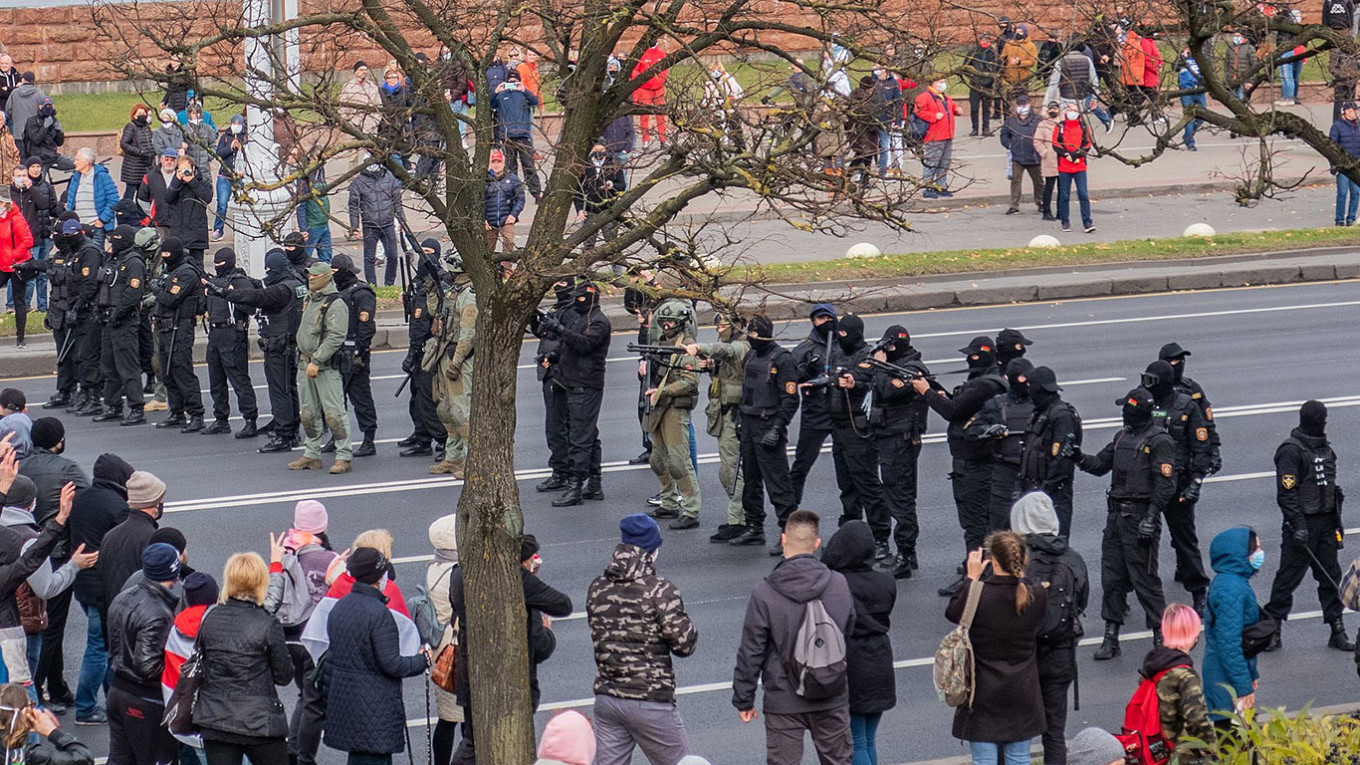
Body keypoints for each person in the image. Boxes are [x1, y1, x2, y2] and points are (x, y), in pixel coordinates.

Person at [732, 510, 853, 763]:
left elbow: (751, 650)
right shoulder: (838, 583)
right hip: (831, 692)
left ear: (783, 539)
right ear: (816, 544)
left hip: (783, 698)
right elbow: (848, 630)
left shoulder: (765, 592)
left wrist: (744, 699)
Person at [449, 535, 573, 765]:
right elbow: (562, 606)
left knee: (474, 742)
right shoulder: (514, 579)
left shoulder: (460, 572)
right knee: (504, 745)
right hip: (508, 683)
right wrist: (527, 578)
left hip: (470, 674)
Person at [587, 514, 698, 765]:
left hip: (608, 699)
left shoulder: (597, 587)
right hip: (650, 699)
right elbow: (685, 644)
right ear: (652, 550)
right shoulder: (659, 590)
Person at [1074, 388, 1174, 660]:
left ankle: (1161, 636)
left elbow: (1165, 485)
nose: (1121, 413)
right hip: (1117, 517)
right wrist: (1078, 457)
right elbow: (1100, 464)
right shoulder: (1122, 438)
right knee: (1112, 578)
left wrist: (1151, 517)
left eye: (1125, 409)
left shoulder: (1159, 441)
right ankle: (1111, 635)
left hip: (1140, 517)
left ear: (1134, 412)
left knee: (1145, 580)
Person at [912, 336, 1005, 594]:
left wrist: (926, 392)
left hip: (975, 465)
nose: (969, 360)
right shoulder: (987, 381)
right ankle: (980, 566)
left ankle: (973, 577)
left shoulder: (986, 385)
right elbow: (962, 406)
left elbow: (953, 411)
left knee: (974, 525)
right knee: (980, 523)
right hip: (975, 463)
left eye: (972, 356)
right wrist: (940, 394)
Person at [322, 548, 430, 765]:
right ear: (379, 577)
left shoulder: (340, 607)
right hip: (374, 710)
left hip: (347, 703)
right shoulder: (379, 614)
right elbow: (392, 664)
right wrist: (423, 660)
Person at [947, 532, 1046, 765]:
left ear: (993, 561)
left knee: (984, 761)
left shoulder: (979, 595)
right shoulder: (1036, 595)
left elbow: (953, 612)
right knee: (1019, 759)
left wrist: (970, 579)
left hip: (983, 694)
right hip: (1022, 692)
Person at [1263, 400, 1354, 651]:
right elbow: (1287, 493)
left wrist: (1335, 524)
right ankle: (1273, 630)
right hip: (1301, 525)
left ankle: (1336, 629)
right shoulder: (1291, 451)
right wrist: (1299, 525)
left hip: (1325, 524)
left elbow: (1329, 489)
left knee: (1332, 577)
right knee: (1287, 579)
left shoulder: (1325, 449)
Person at [192, 553, 292, 765]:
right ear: (260, 582)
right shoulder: (267, 623)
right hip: (259, 722)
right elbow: (284, 676)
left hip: (215, 718)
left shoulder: (209, 618)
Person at [1012, 492, 1088, 765]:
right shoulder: (1073, 558)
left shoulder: (1016, 558)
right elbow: (1081, 600)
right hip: (1061, 653)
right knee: (1054, 732)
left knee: (1015, 731)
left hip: (1023, 656)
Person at [263, 502, 337, 765]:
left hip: (287, 639)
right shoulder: (331, 560)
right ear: (323, 525)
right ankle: (303, 758)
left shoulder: (284, 555)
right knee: (314, 705)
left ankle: (292, 750)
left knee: (305, 697)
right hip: (314, 642)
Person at [65, 453, 134, 725]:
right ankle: (85, 707)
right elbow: (121, 550)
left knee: (104, 646)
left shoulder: (81, 498)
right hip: (103, 587)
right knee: (99, 648)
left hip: (82, 581)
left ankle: (110, 700)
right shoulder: (118, 507)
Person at [210, 248, 303, 452]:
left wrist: (225, 292)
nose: (267, 274)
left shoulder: (282, 290)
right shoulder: (295, 282)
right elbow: (262, 287)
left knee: (280, 391)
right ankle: (291, 428)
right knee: (288, 389)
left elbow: (258, 297)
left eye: (270, 270)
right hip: (286, 343)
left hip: (279, 345)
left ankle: (284, 434)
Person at [1142, 360, 1213, 612]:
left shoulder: (1186, 406)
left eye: (1151, 380)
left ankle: (1199, 593)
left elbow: (1201, 447)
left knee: (1185, 541)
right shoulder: (1143, 403)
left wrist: (1196, 482)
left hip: (1177, 484)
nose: (1146, 385)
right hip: (1147, 482)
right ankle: (1135, 592)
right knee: (1140, 540)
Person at [821, 521, 895, 765]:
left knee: (855, 741)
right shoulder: (885, 581)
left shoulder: (837, 584)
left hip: (853, 664)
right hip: (880, 661)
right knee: (868, 739)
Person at [105, 543, 181, 765]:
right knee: (158, 760)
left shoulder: (123, 597)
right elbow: (147, 666)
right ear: (172, 572)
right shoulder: (158, 612)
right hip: (144, 700)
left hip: (117, 691)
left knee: (120, 759)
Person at [728, 316, 800, 548]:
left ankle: (789, 533)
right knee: (750, 482)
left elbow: (791, 399)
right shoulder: (751, 356)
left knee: (778, 484)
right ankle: (754, 527)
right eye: (750, 333)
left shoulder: (782, 359)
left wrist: (777, 428)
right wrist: (740, 419)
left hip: (768, 425)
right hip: (749, 424)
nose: (751, 337)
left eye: (755, 334)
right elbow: (746, 391)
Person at [537, 282, 610, 507]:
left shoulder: (598, 322)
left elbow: (584, 344)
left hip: (586, 384)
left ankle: (575, 486)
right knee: (588, 434)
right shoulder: (578, 318)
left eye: (580, 298)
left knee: (580, 437)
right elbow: (566, 345)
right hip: (572, 381)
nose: (577, 301)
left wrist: (559, 329)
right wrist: (551, 356)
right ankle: (594, 484)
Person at [682, 314, 749, 541]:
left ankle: (738, 520)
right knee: (727, 471)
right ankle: (739, 517)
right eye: (717, 325)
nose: (719, 329)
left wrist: (700, 348)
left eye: (723, 325)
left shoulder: (740, 346)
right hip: (723, 414)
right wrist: (710, 365)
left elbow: (726, 351)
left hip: (734, 416)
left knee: (732, 470)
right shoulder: (731, 347)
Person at [641, 301, 703, 529]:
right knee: (657, 459)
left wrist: (663, 391)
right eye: (664, 321)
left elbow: (690, 382)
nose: (666, 326)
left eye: (671, 322)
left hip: (675, 407)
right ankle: (668, 502)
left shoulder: (687, 347)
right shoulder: (659, 344)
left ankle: (691, 509)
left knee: (678, 461)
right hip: (659, 405)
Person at [288, 262, 353, 475]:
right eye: (309, 275)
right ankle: (311, 454)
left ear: (325, 277)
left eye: (315, 276)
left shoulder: (335, 303)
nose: (311, 279)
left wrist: (317, 360)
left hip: (325, 366)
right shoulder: (310, 299)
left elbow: (336, 336)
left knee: (334, 413)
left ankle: (344, 456)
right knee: (308, 414)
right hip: (305, 363)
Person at [1202, 527, 1264, 723]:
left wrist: (1250, 675)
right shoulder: (1232, 588)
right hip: (1227, 683)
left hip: (1226, 676)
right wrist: (1244, 687)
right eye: (1256, 549)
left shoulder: (1231, 581)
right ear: (1240, 553)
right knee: (1237, 738)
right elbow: (1229, 644)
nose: (1260, 553)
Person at [1140, 603, 1216, 760]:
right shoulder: (1185, 676)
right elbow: (1196, 719)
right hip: (1180, 753)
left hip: (1156, 748)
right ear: (1194, 633)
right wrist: (1214, 747)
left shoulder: (1154, 666)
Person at [425, 254, 476, 477]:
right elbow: (436, 314)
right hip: (445, 353)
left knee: (460, 411)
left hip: (459, 357)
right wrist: (431, 292)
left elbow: (468, 333)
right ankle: (453, 457)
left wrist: (456, 362)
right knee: (445, 409)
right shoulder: (454, 291)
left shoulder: (469, 295)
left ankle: (471, 460)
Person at [200, 247, 259, 437]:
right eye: (215, 263)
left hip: (233, 334)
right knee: (216, 380)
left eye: (221, 263)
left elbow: (251, 307)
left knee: (239, 380)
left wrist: (230, 293)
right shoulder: (213, 281)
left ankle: (250, 420)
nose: (218, 266)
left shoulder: (240, 281)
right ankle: (221, 419)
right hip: (215, 333)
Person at [149, 237, 205, 432]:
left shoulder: (187, 273)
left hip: (180, 328)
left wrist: (157, 289)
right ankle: (176, 412)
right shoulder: (169, 270)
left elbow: (171, 299)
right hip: (164, 327)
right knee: (167, 372)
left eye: (168, 254)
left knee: (182, 371)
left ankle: (196, 414)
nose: (165, 258)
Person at [1019, 366, 1083, 537]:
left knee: (1053, 542)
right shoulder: (1040, 412)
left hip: (1053, 495)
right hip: (1034, 491)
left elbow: (1062, 459)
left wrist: (1044, 490)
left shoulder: (1061, 415)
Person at [398, 242, 446, 460]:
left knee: (428, 397)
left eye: (428, 253)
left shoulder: (440, 280)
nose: (424, 257)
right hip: (418, 347)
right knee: (416, 396)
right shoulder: (419, 281)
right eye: (422, 252)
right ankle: (421, 436)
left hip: (431, 348)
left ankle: (443, 440)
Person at [93, 225, 145, 426]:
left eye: (115, 239)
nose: (111, 243)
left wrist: (117, 313)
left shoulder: (133, 262)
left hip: (124, 322)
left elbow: (133, 293)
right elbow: (103, 286)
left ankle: (137, 408)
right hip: (108, 320)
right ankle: (113, 405)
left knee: (128, 367)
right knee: (109, 366)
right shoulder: (113, 260)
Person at [98, 471, 166, 620]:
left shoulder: (109, 536)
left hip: (113, 616)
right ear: (154, 502)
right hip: (141, 618)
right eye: (161, 499)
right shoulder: (152, 538)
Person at [330, 254, 377, 456]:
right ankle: (336, 437)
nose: (333, 275)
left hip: (356, 354)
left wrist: (359, 351)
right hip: (338, 352)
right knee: (336, 399)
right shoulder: (337, 292)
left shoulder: (362, 293)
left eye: (335, 272)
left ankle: (369, 439)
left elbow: (366, 326)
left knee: (361, 397)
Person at [790, 304, 836, 507]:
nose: (825, 322)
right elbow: (789, 378)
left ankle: (852, 518)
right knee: (801, 465)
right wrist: (806, 372)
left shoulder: (845, 344)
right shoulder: (805, 349)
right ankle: (789, 514)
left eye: (828, 318)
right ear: (813, 321)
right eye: (820, 318)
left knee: (851, 469)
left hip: (842, 413)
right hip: (815, 414)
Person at [424, 515, 461, 765]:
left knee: (446, 719)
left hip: (440, 650)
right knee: (468, 720)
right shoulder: (456, 573)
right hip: (456, 650)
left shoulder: (434, 566)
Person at [0, 682, 95, 765]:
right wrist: (53, 732)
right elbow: (84, 759)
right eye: (31, 705)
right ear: (24, 712)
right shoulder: (30, 754)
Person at [346, 159, 404, 286]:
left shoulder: (389, 178)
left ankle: (389, 284)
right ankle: (372, 286)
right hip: (369, 226)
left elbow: (397, 202)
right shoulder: (359, 182)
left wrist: (402, 221)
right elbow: (353, 205)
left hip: (388, 224)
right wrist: (354, 226)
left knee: (393, 256)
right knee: (369, 258)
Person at [11, 158, 54, 313]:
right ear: (13, 178)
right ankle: (13, 305)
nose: (22, 178)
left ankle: (33, 306)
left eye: (24, 175)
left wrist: (32, 189)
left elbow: (44, 205)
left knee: (33, 273)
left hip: (33, 238)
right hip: (13, 240)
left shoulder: (33, 191)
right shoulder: (9, 194)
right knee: (13, 272)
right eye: (19, 176)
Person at [492, 70, 542, 203]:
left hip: (523, 135)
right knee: (510, 167)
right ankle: (512, 194)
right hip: (507, 136)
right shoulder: (502, 95)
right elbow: (490, 105)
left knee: (529, 165)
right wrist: (496, 92)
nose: (512, 83)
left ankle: (536, 193)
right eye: (510, 81)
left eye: (515, 81)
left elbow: (535, 101)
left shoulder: (524, 94)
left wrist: (524, 90)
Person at [575, 143, 627, 254]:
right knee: (588, 244)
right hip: (590, 209)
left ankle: (616, 264)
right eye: (596, 150)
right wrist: (579, 209)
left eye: (601, 150)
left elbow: (622, 185)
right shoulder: (584, 166)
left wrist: (612, 186)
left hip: (609, 209)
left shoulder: (613, 164)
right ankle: (586, 264)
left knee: (612, 242)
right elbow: (578, 190)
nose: (598, 153)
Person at [914, 76, 960, 196]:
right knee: (931, 163)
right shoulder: (924, 97)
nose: (943, 84)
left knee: (944, 163)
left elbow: (953, 107)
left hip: (947, 135)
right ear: (934, 83)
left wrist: (957, 110)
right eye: (941, 82)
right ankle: (928, 187)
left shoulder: (946, 98)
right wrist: (933, 116)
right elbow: (918, 111)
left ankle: (941, 186)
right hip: (934, 136)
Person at [1052, 102, 1094, 233]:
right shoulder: (1060, 126)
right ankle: (1065, 221)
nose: (1072, 112)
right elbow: (1055, 144)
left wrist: (1076, 155)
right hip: (1064, 166)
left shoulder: (1084, 127)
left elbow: (1087, 144)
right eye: (1070, 109)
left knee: (1083, 194)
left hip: (1079, 166)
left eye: (1075, 110)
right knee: (1064, 195)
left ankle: (1087, 222)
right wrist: (1066, 155)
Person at [999, 95, 1043, 216]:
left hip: (1034, 156)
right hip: (1017, 156)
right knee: (1015, 181)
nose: (1022, 107)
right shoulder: (1011, 121)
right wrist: (1010, 145)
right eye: (1020, 105)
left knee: (1038, 181)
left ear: (1029, 105)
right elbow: (1004, 135)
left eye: (1024, 104)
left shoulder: (1037, 120)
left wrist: (1040, 148)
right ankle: (1014, 206)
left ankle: (1040, 202)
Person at [0, 197, 32, 348]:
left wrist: (13, 256)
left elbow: (27, 240)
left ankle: (21, 337)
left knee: (19, 301)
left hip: (16, 264)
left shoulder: (16, 218)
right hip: (3, 264)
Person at [484, 149, 524, 256]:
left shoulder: (513, 179)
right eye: (494, 162)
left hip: (507, 218)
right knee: (487, 248)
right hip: (489, 220)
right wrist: (483, 219)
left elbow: (520, 199)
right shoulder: (485, 179)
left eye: (499, 162)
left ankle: (507, 266)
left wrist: (513, 215)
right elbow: (478, 201)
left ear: (504, 163)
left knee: (509, 243)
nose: (496, 165)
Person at [211, 115, 245, 240]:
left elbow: (249, 156)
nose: (236, 126)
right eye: (234, 123)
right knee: (222, 204)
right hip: (225, 175)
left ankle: (240, 229)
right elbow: (218, 154)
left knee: (242, 203)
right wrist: (230, 148)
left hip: (240, 176)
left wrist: (241, 148)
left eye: (239, 124)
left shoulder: (246, 138)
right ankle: (218, 229)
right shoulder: (225, 137)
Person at [632, 41, 670, 147]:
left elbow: (665, 71)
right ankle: (645, 140)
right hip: (645, 90)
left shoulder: (661, 54)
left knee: (661, 115)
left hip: (658, 89)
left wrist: (659, 81)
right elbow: (635, 72)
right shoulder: (642, 54)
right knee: (644, 116)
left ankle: (663, 139)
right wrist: (642, 81)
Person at [962, 33, 1001, 136]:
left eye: (987, 39)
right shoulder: (973, 52)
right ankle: (975, 128)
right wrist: (972, 77)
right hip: (975, 84)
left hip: (988, 84)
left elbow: (998, 67)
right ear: (979, 40)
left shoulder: (994, 53)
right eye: (983, 39)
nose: (985, 41)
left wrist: (992, 77)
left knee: (986, 108)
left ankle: (986, 128)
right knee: (974, 108)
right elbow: (965, 67)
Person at [1331, 102, 1360, 227]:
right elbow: (1331, 147)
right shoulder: (1337, 126)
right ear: (1347, 112)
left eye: (1357, 110)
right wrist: (1334, 164)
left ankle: (1351, 218)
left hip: (1356, 165)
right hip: (1342, 166)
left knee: (1356, 193)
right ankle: (1339, 219)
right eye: (1354, 110)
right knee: (1342, 193)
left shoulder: (1358, 125)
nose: (1356, 113)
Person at [4, 73, 46, 157]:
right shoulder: (40, 94)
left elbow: (8, 110)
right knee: (34, 158)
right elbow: (44, 112)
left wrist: (15, 117)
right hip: (34, 134)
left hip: (18, 133)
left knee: (21, 158)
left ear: (23, 80)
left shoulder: (14, 93)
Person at [119, 105, 155, 203]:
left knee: (142, 196)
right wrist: (139, 152)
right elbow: (124, 144)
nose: (142, 115)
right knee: (129, 194)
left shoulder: (147, 127)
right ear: (134, 115)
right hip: (133, 168)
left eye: (144, 113)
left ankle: (140, 212)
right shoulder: (131, 126)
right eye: (139, 113)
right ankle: (125, 210)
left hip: (145, 167)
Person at [338, 61, 383, 138]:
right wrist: (347, 121)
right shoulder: (348, 87)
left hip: (370, 125)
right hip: (353, 124)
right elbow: (342, 106)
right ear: (356, 72)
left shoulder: (372, 87)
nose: (364, 72)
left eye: (365, 70)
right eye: (361, 70)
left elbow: (379, 105)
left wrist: (375, 121)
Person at [1033, 101, 1061, 220]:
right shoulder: (1043, 125)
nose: (1053, 111)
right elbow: (1037, 141)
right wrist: (1045, 152)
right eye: (1051, 109)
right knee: (1049, 187)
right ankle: (1047, 211)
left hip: (1063, 160)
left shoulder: (1062, 124)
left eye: (1055, 108)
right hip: (1049, 160)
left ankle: (1061, 211)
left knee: (1063, 188)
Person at [22, 98, 65, 172]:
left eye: (50, 106)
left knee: (74, 165)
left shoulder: (54, 120)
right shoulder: (32, 121)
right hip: (38, 157)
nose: (48, 108)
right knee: (39, 176)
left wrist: (59, 132)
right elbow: (36, 140)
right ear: (40, 107)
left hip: (53, 156)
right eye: (46, 106)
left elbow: (59, 143)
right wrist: (45, 127)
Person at [1177, 51, 1205, 152]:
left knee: (1203, 116)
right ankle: (1190, 142)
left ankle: (1188, 134)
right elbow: (1174, 68)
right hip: (1186, 91)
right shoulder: (1182, 58)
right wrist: (1183, 57)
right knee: (1189, 116)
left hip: (1199, 90)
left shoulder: (1200, 56)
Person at [1223, 31, 1256, 102]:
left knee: (1241, 100)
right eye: (1235, 36)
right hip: (1232, 80)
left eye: (1238, 36)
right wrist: (1226, 79)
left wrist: (1251, 81)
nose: (1236, 38)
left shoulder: (1249, 48)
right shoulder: (1230, 48)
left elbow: (1254, 66)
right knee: (1232, 102)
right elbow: (1226, 66)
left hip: (1244, 80)